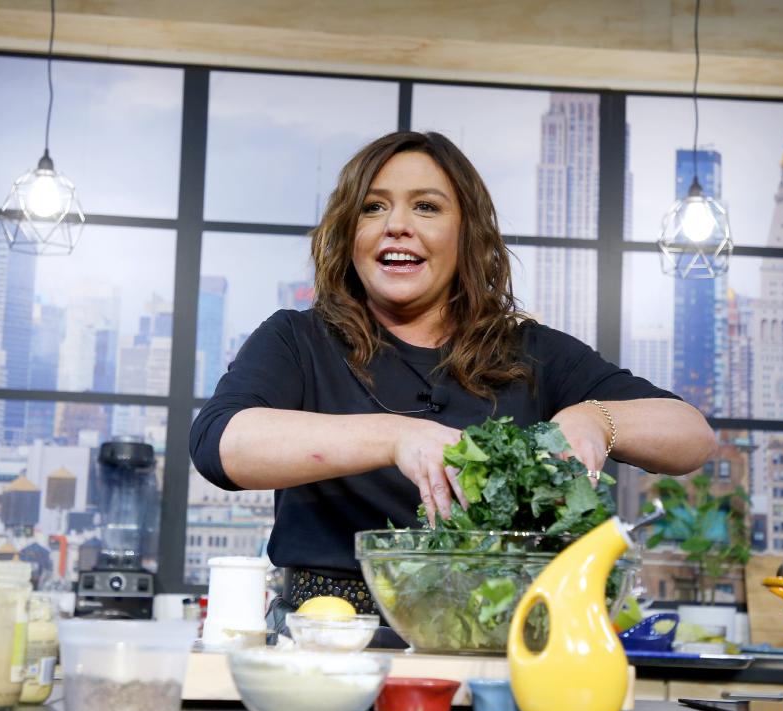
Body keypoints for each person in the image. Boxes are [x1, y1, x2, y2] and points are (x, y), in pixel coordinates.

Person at [190, 130, 717, 617]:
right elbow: (221, 445)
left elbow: (690, 437)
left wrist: (597, 420)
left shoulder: (532, 353)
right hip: (324, 636)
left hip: (492, 640)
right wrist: (399, 436)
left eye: (426, 206)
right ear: (351, 235)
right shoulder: (298, 340)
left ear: (468, 234)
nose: (397, 224)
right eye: (373, 207)